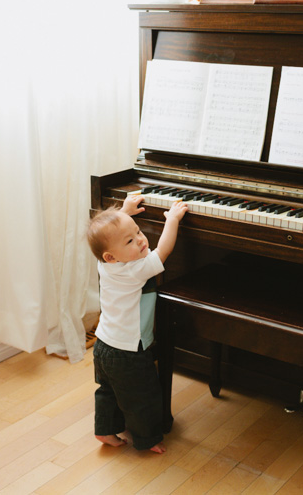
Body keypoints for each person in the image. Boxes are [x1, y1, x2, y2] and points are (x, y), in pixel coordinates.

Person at [86, 194, 188, 454]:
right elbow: (162, 251)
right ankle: (147, 439)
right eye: (131, 241)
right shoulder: (135, 271)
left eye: (138, 232)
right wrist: (172, 220)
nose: (141, 240)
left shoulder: (105, 264)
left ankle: (104, 429)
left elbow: (114, 234)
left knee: (108, 391)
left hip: (104, 345)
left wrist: (125, 212)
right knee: (142, 397)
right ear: (112, 256)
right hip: (129, 353)